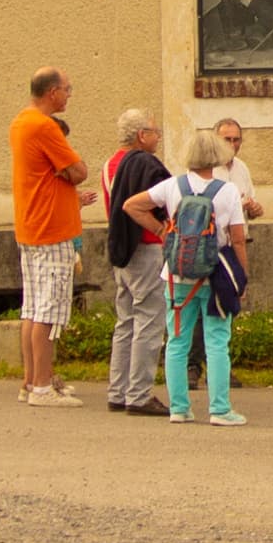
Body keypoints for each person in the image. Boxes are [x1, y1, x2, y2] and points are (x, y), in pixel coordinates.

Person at [128, 128, 249, 424]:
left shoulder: (172, 186)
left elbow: (131, 205)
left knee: (177, 341)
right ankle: (220, 409)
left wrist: (162, 231)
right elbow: (237, 239)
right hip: (216, 275)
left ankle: (179, 408)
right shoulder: (227, 191)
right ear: (217, 156)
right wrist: (242, 277)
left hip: (177, 274)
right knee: (217, 341)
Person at [7, 66, 91, 407]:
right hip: (52, 229)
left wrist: (64, 173)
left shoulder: (20, 121)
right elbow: (79, 171)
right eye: (67, 89)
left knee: (32, 309)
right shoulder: (44, 126)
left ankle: (31, 381)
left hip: (31, 226)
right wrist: (68, 172)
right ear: (52, 91)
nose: (69, 95)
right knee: (49, 312)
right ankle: (42, 387)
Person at [99, 110, 173, 415]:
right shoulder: (143, 165)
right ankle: (139, 393)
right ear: (141, 135)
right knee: (149, 320)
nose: (158, 138)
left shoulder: (109, 165)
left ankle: (118, 390)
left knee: (126, 320)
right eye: (155, 132)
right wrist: (161, 228)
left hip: (122, 248)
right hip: (145, 244)